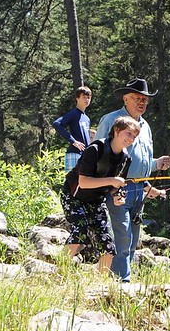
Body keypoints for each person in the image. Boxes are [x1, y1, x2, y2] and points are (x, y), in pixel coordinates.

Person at [96, 78, 170, 282]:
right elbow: (97, 154)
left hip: (140, 190)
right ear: (126, 98)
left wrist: (157, 163)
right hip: (117, 188)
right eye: (138, 98)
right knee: (122, 236)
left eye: (145, 100)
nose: (142, 103)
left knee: (132, 240)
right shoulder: (111, 120)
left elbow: (141, 161)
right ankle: (122, 282)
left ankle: (116, 279)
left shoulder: (145, 126)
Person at [60, 116, 141, 274]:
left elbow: (114, 187)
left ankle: (101, 282)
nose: (131, 139)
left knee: (108, 245)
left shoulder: (126, 159)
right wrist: (112, 180)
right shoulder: (95, 150)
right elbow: (83, 182)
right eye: (128, 134)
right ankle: (60, 272)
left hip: (97, 202)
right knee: (80, 231)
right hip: (73, 197)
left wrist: (118, 196)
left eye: (134, 136)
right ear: (116, 131)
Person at [52, 86, 94, 173]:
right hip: (74, 154)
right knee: (72, 183)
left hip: (84, 156)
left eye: (88, 97)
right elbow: (57, 124)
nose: (86, 100)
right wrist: (73, 141)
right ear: (77, 98)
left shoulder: (86, 118)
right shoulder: (74, 113)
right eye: (84, 97)